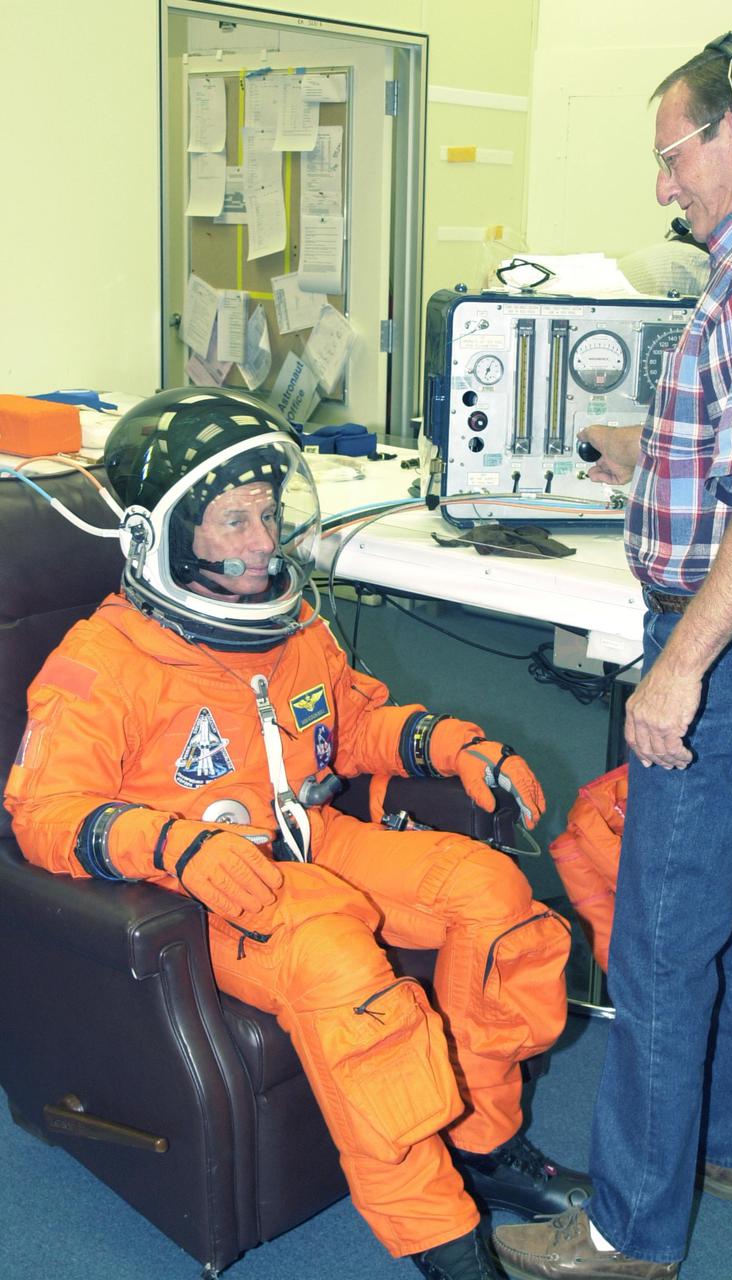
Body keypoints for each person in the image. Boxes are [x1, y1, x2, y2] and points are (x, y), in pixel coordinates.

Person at [4, 386, 590, 1280]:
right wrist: (173, 845)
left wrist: (446, 743)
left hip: (309, 836)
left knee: (495, 896)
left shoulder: (291, 625)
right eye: (232, 521)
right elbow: (41, 812)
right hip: (206, 890)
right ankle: (440, 1237)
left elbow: (351, 722)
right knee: (344, 974)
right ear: (157, 536)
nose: (262, 541)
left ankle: (481, 1141)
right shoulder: (103, 665)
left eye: (269, 512)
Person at [492, 30, 732, 1280]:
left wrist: (677, 664)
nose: (660, 185)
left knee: (654, 940)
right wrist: (639, 451)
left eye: (670, 153)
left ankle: (626, 1231)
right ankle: (722, 1146)